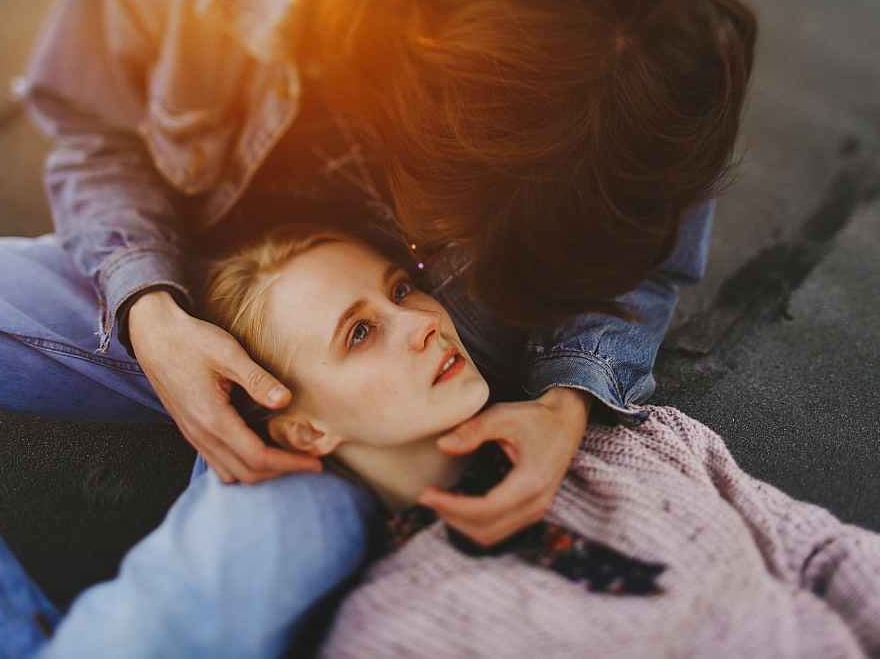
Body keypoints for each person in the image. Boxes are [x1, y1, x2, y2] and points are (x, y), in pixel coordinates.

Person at [0, 0, 756, 653]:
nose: (444, 237)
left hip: (363, 419)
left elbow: (633, 257)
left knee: (161, 630)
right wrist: (148, 307)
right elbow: (88, 126)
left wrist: (572, 398)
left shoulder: (652, 54)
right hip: (187, 271)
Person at [168, 225, 877, 656]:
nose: (420, 322)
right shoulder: (394, 634)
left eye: (402, 289)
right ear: (304, 426)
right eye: (359, 332)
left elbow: (824, 556)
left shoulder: (638, 444)